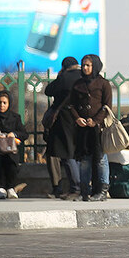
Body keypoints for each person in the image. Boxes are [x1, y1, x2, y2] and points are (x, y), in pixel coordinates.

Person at [67, 54, 112, 201]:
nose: (85, 68)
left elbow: (107, 107)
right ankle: (84, 192)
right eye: (83, 65)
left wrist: (96, 120)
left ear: (95, 66)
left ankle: (102, 191)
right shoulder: (77, 84)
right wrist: (77, 118)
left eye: (88, 65)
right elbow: (71, 105)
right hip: (83, 129)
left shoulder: (103, 84)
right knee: (84, 160)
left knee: (100, 159)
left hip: (98, 129)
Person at [44, 56, 82, 199]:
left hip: (64, 121)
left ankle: (73, 188)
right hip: (82, 120)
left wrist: (60, 75)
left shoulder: (65, 77)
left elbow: (48, 90)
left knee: (66, 154)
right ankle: (82, 186)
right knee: (78, 154)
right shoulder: (84, 77)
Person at [0, 90, 28, 199]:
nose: (1, 105)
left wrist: (14, 134)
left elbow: (24, 133)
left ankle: (10, 187)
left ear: (9, 104)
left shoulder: (15, 117)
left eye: (4, 103)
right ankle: (0, 188)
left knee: (12, 160)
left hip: (9, 148)